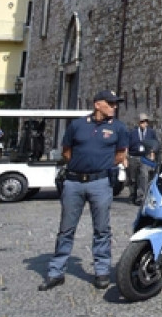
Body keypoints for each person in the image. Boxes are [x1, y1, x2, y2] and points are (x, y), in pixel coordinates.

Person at [39, 90, 129, 291]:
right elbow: (66, 151)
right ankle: (56, 272)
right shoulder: (77, 125)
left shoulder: (119, 128)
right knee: (66, 229)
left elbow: (120, 155)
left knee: (102, 229)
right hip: (74, 183)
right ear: (98, 104)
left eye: (116, 104)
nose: (114, 107)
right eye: (111, 103)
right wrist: (82, 166)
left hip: (101, 182)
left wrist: (99, 166)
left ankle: (101, 271)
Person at [127, 113, 159, 205]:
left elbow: (155, 143)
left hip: (145, 157)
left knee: (143, 176)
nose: (144, 123)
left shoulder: (151, 132)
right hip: (133, 156)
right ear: (138, 123)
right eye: (142, 121)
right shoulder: (132, 133)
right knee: (132, 178)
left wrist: (152, 153)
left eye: (145, 121)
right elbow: (127, 144)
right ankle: (132, 195)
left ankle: (141, 198)